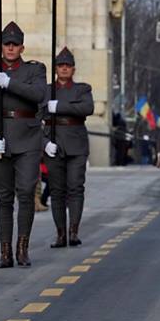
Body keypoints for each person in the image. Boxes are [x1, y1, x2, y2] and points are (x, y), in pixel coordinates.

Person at [0, 21, 46, 268]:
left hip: (27, 138)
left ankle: (22, 247)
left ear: (22, 47)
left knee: (25, 192)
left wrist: (9, 84)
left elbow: (39, 95)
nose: (11, 48)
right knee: (3, 198)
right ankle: (5, 251)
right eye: (7, 44)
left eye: (15, 44)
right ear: (1, 46)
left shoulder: (36, 71)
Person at [42, 46, 94, 248]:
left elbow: (87, 108)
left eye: (68, 66)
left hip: (76, 143)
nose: (64, 68)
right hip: (53, 141)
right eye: (61, 65)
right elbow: (37, 117)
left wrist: (60, 107)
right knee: (56, 191)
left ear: (73, 69)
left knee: (75, 188)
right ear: (56, 68)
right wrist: (44, 143)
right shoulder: (46, 90)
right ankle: (60, 234)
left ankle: (73, 231)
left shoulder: (82, 89)